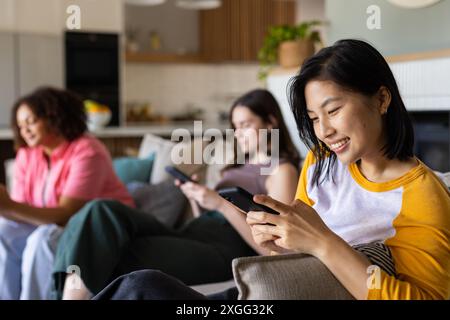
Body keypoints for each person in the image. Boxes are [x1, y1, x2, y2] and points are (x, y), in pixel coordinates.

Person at [91, 39, 450, 300]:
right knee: (142, 285)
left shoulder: (421, 196)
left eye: (334, 110)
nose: (323, 130)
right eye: (313, 118)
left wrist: (324, 243)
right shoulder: (322, 164)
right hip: (267, 293)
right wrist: (274, 243)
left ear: (382, 99)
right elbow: (293, 260)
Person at [52, 89, 301, 300]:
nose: (238, 134)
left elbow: (274, 248)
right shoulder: (236, 166)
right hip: (193, 233)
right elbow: (207, 215)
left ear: (270, 122)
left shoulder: (282, 170)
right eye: (235, 127)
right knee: (100, 211)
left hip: (226, 249)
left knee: (113, 251)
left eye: (246, 125)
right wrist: (197, 199)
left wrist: (221, 206)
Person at [0, 87, 134, 300]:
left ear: (54, 117)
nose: (24, 130)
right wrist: (6, 208)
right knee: (4, 230)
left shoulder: (88, 151)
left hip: (93, 225)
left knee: (41, 239)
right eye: (20, 125)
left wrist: (9, 206)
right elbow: (22, 207)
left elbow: (67, 213)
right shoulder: (28, 154)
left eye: (31, 122)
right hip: (54, 222)